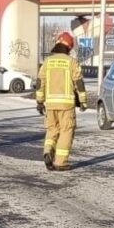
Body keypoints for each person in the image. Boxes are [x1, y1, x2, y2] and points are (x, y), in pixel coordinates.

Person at [35, 31, 87, 171]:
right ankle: (60, 162)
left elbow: (40, 82)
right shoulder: (71, 62)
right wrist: (83, 101)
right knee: (66, 131)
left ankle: (47, 151)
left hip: (51, 104)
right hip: (66, 105)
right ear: (69, 48)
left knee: (52, 130)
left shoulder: (47, 62)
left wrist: (40, 101)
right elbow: (79, 82)